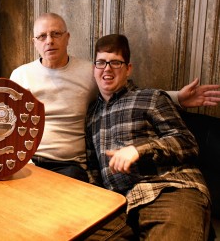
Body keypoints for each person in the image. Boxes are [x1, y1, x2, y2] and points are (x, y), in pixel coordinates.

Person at [10, 12, 220, 182]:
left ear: (67, 37)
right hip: (26, 159)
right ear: (34, 42)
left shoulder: (91, 71)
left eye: (56, 34)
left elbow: (128, 92)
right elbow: (11, 124)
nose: (49, 41)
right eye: (42, 36)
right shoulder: (20, 75)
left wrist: (178, 98)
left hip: (69, 165)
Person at [85, 34, 211, 240]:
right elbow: (92, 168)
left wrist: (138, 149)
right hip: (120, 207)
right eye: (101, 62)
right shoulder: (91, 116)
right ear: (94, 69)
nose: (107, 68)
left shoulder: (151, 98)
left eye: (115, 62)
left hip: (168, 191)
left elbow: (186, 142)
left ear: (128, 69)